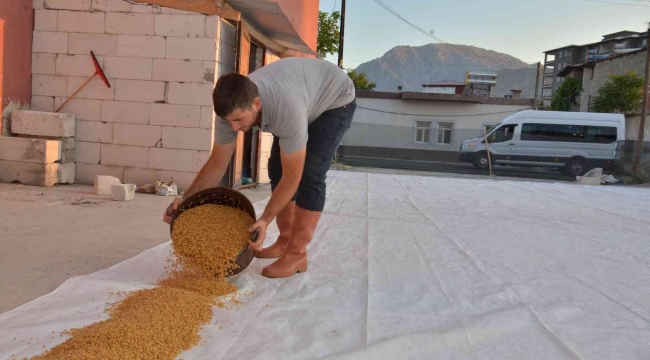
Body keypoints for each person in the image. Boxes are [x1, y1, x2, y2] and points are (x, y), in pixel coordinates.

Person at [163, 57, 356, 279]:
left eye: (238, 120)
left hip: (334, 100)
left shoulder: (285, 108)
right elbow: (217, 163)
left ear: (256, 104)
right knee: (276, 169)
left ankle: (297, 254)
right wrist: (185, 200)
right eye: (229, 122)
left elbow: (294, 175)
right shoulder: (229, 113)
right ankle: (284, 241)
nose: (235, 127)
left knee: (310, 174)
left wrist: (265, 219)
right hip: (303, 94)